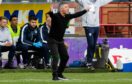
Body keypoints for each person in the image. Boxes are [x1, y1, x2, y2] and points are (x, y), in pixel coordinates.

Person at [47, 2, 90, 80]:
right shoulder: (56, 16)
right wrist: (50, 12)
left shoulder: (67, 16)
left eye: (68, 7)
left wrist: (85, 10)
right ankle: (54, 75)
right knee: (56, 57)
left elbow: (76, 14)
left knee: (65, 57)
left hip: (60, 41)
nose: (68, 8)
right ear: (61, 9)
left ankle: (59, 73)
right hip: (52, 40)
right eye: (66, 7)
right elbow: (52, 15)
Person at [76, 0, 113, 70]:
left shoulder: (98, 2)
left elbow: (107, 0)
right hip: (88, 26)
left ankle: (89, 62)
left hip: (96, 26)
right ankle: (89, 62)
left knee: (93, 45)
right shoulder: (84, 1)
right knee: (91, 44)